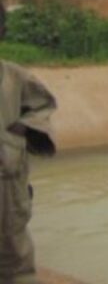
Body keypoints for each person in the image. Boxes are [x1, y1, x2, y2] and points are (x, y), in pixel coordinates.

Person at [1, 61, 57, 284]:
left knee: (15, 257)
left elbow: (43, 105)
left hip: (8, 182)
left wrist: (21, 129)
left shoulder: (15, 77)